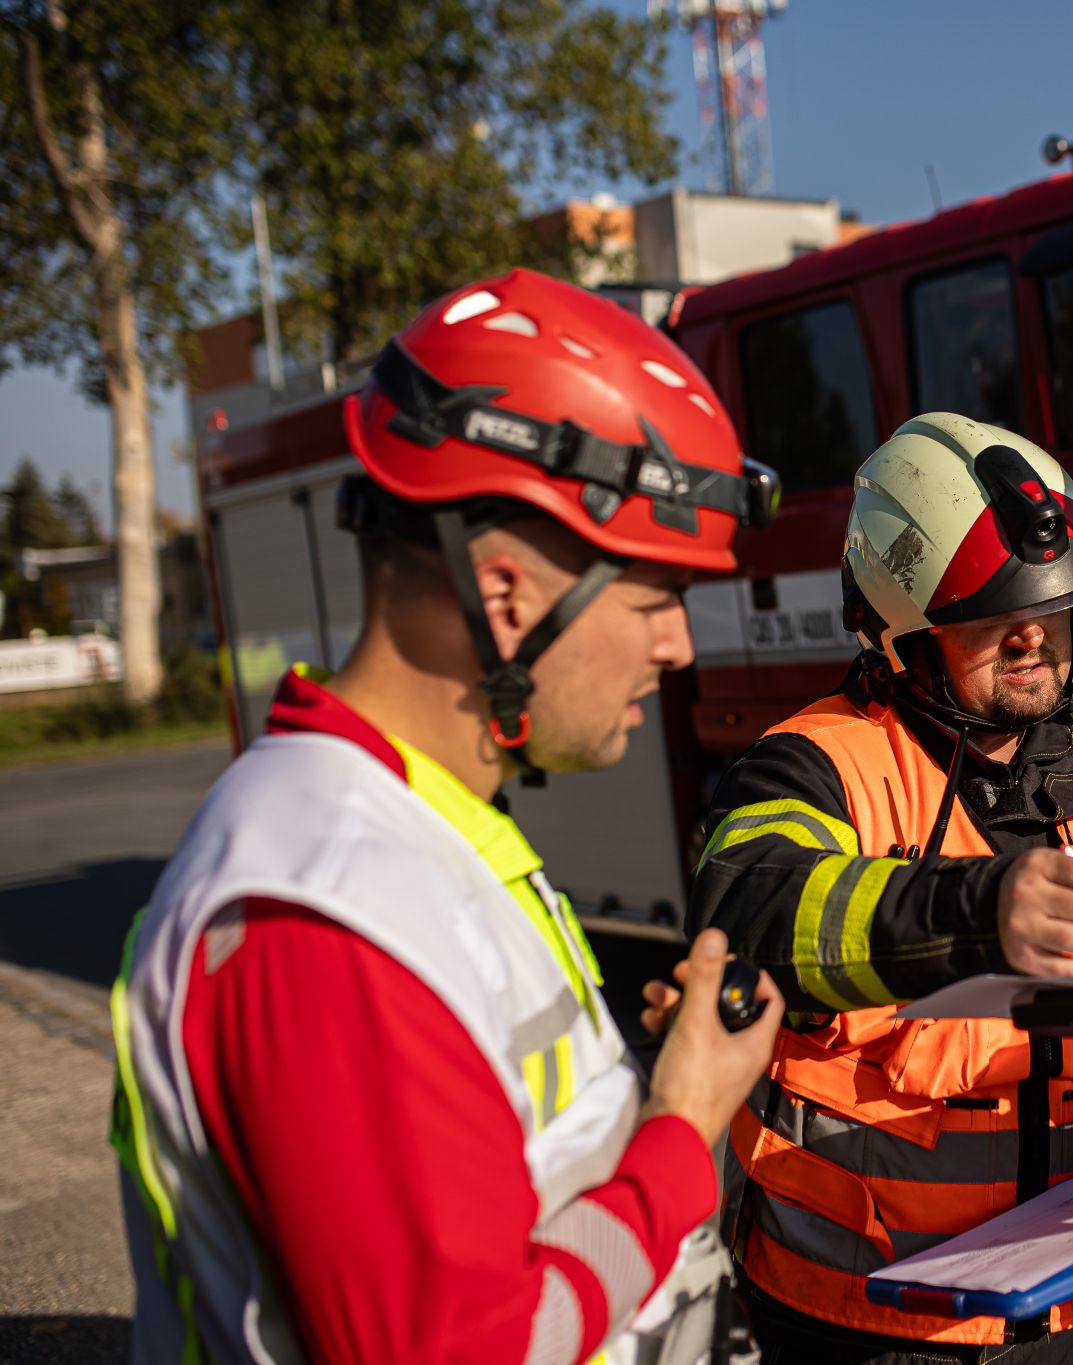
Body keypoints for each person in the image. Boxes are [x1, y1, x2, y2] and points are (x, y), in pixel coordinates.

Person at [110, 269, 786, 1365]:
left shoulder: (409, 828)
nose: (679, 649)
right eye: (657, 599)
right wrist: (678, 1132)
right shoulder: (321, 911)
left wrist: (639, 1094)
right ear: (508, 592)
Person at [681, 412, 1073, 1364]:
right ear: (898, 634)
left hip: (1068, 1310)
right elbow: (746, 914)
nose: (1032, 638)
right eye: (987, 618)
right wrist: (972, 909)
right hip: (860, 1322)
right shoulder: (811, 767)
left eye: (1050, 605)